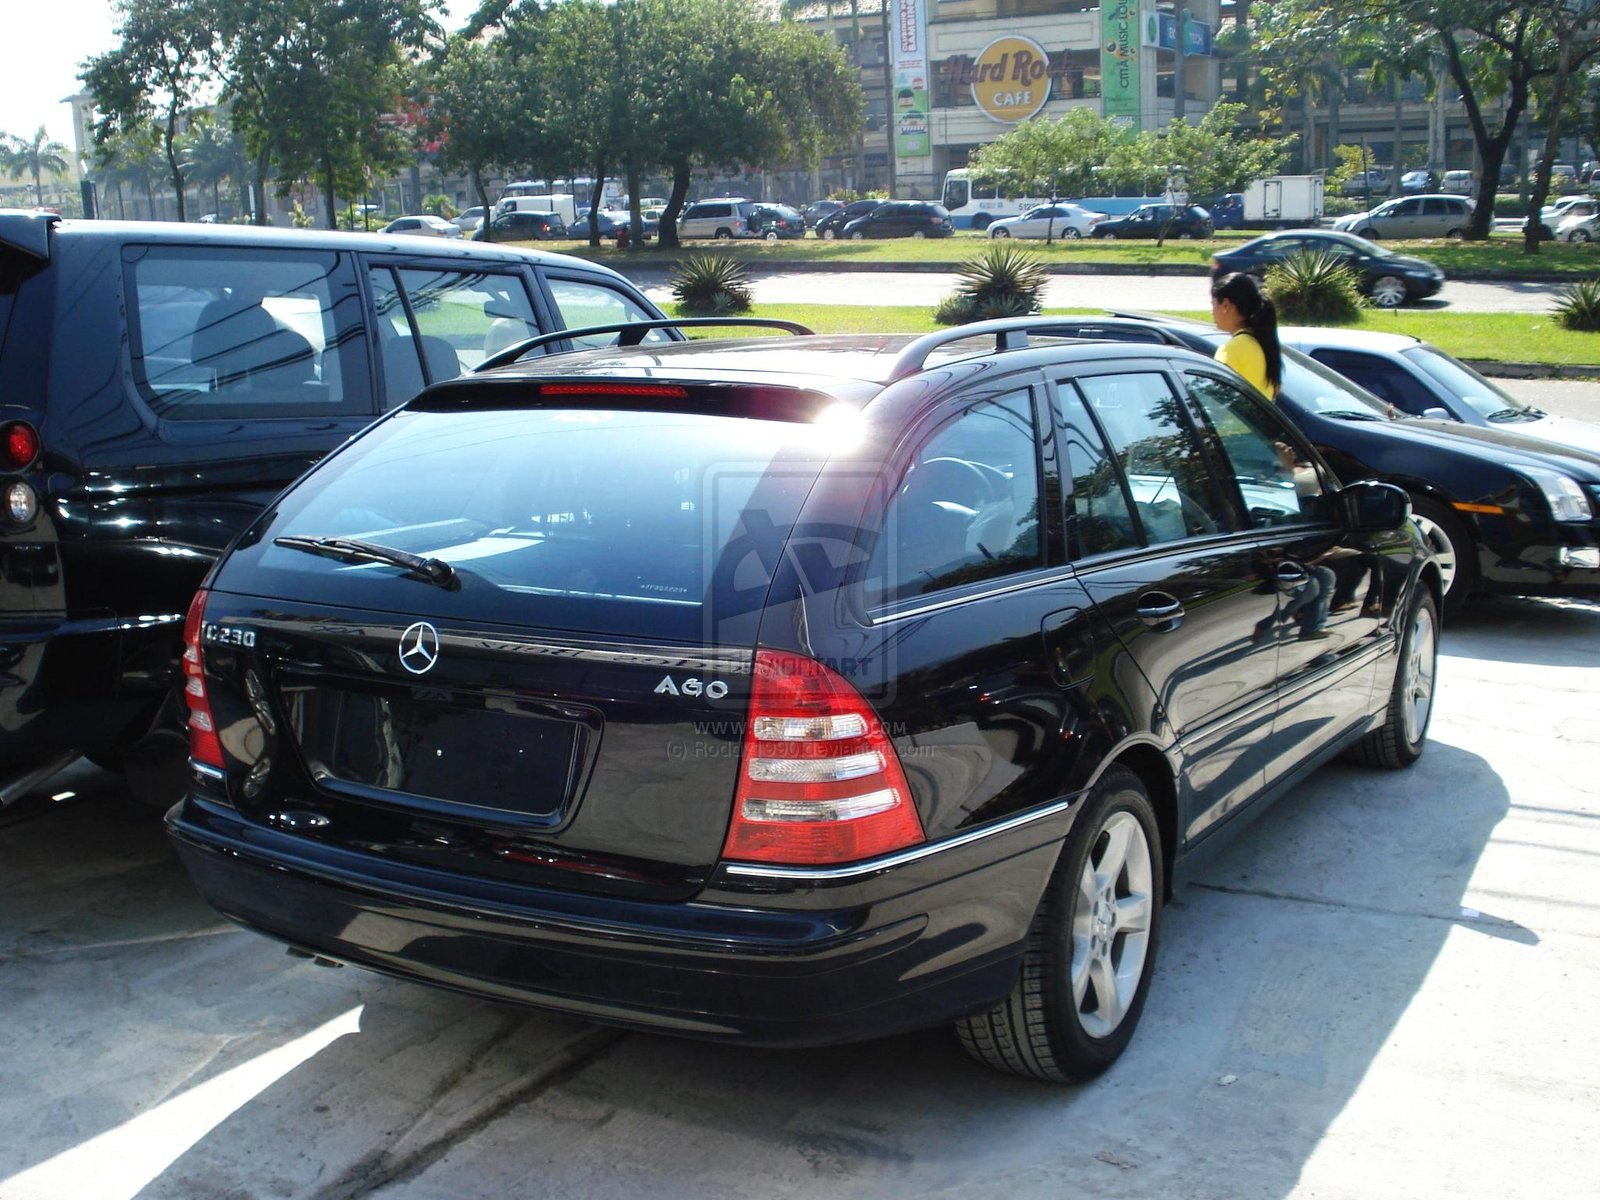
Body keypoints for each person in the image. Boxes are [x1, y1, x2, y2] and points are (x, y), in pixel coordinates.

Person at [1210, 272, 1282, 400]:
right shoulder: (1262, 344)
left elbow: (1215, 401)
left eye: (1213, 304)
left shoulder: (1233, 349)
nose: (1212, 312)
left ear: (1226, 305)